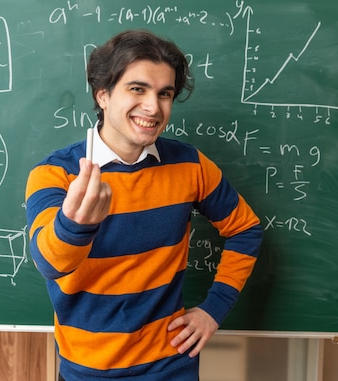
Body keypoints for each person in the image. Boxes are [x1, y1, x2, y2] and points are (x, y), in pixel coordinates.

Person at [25, 29, 263, 381]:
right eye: (137, 89)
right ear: (102, 94)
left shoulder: (190, 165)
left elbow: (246, 230)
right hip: (86, 372)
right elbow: (48, 262)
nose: (153, 107)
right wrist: (75, 224)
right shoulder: (55, 174)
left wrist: (213, 310)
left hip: (171, 368)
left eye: (165, 94)